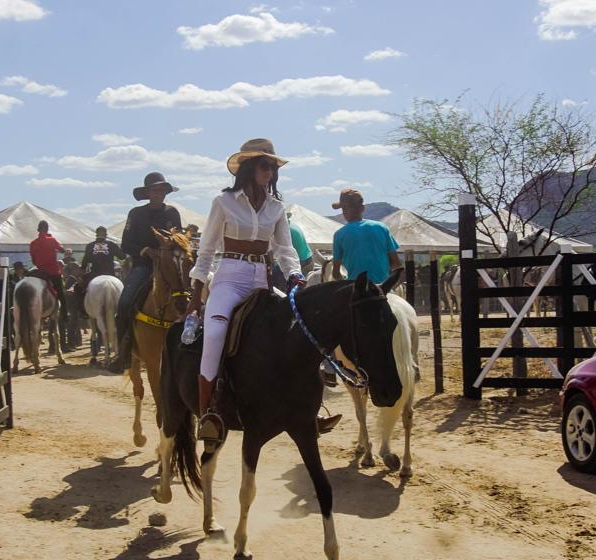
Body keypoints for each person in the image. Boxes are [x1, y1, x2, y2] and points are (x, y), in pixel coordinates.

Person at [190, 138, 303, 444]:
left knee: (299, 328)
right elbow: (206, 250)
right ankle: (207, 412)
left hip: (262, 279)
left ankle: (305, 408)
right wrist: (196, 293)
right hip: (229, 278)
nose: (270, 172)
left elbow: (285, 249)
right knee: (215, 333)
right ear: (250, 167)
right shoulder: (223, 202)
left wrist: (295, 274)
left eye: (273, 167)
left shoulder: (276, 207)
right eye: (265, 166)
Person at [106, 172, 183, 373]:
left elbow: (180, 241)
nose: (159, 193)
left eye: (162, 190)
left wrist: (169, 252)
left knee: (190, 297)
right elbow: (126, 244)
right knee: (124, 303)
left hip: (170, 266)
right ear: (147, 193)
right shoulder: (136, 214)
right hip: (144, 265)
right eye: (155, 190)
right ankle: (123, 352)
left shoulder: (172, 213)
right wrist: (146, 250)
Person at [329, 188, 401, 285]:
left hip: (356, 289)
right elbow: (396, 264)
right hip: (382, 288)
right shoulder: (381, 228)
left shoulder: (339, 235)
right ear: (362, 208)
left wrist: (346, 285)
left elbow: (336, 273)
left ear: (343, 211)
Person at [28, 220, 66, 305]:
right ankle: (64, 311)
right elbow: (62, 250)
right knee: (60, 291)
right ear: (47, 229)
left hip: (40, 271)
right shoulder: (52, 240)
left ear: (38, 229)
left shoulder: (33, 243)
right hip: (53, 271)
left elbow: (33, 260)